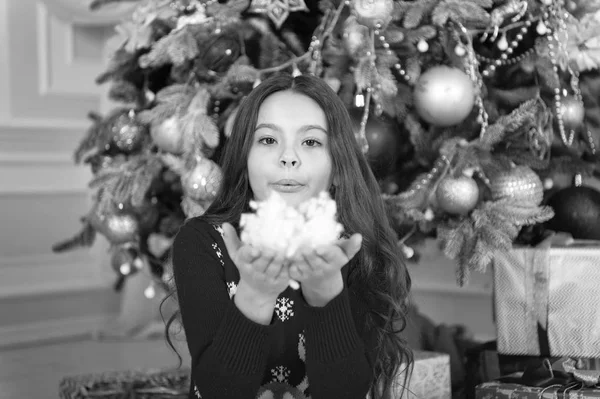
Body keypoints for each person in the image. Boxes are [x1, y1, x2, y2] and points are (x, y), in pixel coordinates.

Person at [167, 73, 412, 399]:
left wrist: (327, 297)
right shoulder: (202, 243)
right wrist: (254, 296)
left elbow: (347, 392)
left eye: (310, 142)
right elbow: (216, 390)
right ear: (244, 159)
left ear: (337, 167)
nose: (288, 156)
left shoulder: (354, 249)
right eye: (268, 140)